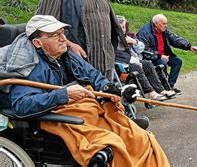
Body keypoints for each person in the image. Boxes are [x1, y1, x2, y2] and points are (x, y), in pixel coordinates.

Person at [9, 15, 169, 167]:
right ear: (38, 43)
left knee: (142, 139)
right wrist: (64, 94)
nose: (63, 38)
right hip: (59, 115)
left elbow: (93, 75)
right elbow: (22, 106)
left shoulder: (66, 55)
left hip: (85, 109)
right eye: (54, 35)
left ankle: (123, 125)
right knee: (116, 144)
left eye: (62, 33)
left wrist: (111, 89)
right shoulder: (28, 66)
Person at [36, 0, 125, 81]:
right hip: (76, 68)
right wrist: (69, 44)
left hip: (106, 66)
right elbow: (41, 26)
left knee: (106, 101)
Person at [115, 15, 176, 101]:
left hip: (135, 60)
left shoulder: (129, 35)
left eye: (124, 27)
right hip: (123, 65)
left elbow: (141, 48)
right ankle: (150, 93)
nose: (123, 30)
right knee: (137, 66)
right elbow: (119, 55)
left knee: (148, 63)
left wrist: (135, 42)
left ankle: (160, 90)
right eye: (121, 27)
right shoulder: (113, 40)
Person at [137, 14, 197, 95]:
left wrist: (189, 46)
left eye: (166, 23)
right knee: (162, 64)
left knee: (177, 62)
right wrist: (159, 56)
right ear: (156, 24)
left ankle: (169, 86)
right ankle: (162, 89)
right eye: (163, 23)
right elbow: (144, 50)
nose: (166, 26)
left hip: (164, 55)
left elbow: (174, 39)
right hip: (152, 57)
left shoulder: (163, 30)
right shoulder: (144, 32)